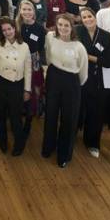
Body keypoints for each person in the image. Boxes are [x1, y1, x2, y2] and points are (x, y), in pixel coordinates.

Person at [41, 14, 88, 168]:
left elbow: (83, 72)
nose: (62, 28)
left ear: (72, 27)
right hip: (54, 77)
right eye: (60, 24)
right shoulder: (50, 37)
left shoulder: (79, 47)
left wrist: (72, 84)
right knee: (51, 114)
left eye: (66, 25)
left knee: (69, 119)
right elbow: (48, 56)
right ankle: (48, 147)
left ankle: (64, 155)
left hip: (72, 82)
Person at [0, 17, 31, 156]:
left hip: (17, 84)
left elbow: (28, 69)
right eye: (3, 30)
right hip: (0, 83)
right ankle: (2, 139)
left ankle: (19, 143)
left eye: (9, 29)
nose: (7, 32)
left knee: (15, 116)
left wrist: (27, 89)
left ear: (14, 28)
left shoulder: (24, 46)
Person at [76, 7, 110, 158]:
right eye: (84, 17)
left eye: (89, 16)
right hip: (79, 78)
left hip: (98, 80)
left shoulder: (106, 36)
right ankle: (71, 137)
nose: (87, 19)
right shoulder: (76, 32)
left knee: (96, 113)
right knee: (76, 109)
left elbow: (109, 62)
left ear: (95, 17)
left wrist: (89, 57)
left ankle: (92, 143)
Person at [16, 0, 46, 136]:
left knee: (35, 87)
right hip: (17, 60)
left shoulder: (40, 29)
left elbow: (40, 48)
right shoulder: (16, 26)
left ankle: (33, 110)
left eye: (30, 9)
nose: (27, 12)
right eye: (24, 9)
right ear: (20, 11)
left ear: (34, 11)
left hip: (34, 60)